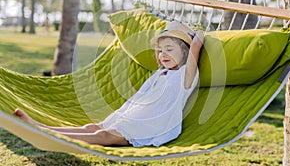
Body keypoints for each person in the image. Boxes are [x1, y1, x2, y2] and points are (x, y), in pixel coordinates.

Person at [13, 21, 205, 147]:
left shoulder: (186, 76)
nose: (163, 55)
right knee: (91, 127)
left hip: (150, 125)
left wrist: (195, 32)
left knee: (103, 136)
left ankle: (47, 137)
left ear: (186, 53)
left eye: (169, 49)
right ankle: (41, 128)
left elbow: (197, 43)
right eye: (160, 51)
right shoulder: (160, 73)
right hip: (132, 117)